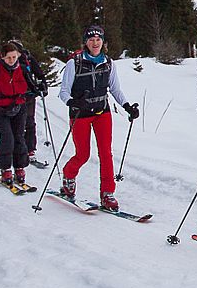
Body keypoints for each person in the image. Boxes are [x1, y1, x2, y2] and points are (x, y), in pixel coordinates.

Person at [58, 25, 139, 209]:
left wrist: (127, 106)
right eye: (91, 40)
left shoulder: (109, 63)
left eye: (98, 39)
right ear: (86, 42)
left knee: (106, 153)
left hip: (102, 112)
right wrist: (73, 102)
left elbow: (115, 89)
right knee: (83, 154)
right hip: (81, 114)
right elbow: (63, 92)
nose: (95, 43)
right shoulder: (75, 63)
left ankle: (108, 193)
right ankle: (69, 175)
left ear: (103, 42)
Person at [0, 41, 38, 186]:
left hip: (19, 107)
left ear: (18, 56)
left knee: (19, 137)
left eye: (14, 57)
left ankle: (19, 167)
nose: (11, 61)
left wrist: (39, 89)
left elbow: (31, 85)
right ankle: (5, 168)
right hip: (0, 109)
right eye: (8, 58)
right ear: (3, 58)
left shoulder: (23, 69)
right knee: (7, 138)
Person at [11, 39, 48, 163]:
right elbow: (40, 75)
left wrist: (42, 85)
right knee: (27, 123)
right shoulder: (26, 59)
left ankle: (25, 149)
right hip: (23, 95)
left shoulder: (28, 59)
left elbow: (39, 74)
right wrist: (43, 85)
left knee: (26, 122)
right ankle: (27, 150)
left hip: (25, 95)